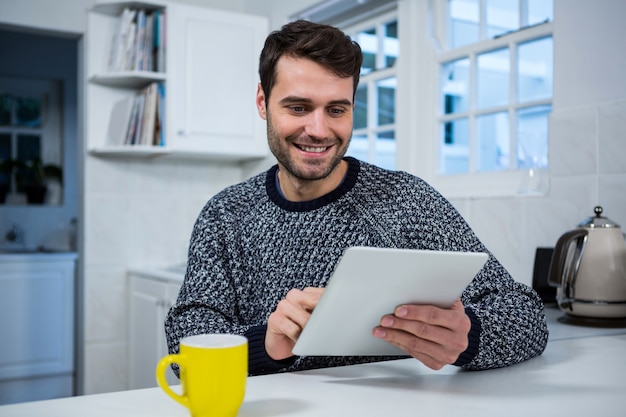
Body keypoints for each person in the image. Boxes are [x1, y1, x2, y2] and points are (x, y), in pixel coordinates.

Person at [165, 20, 548, 376]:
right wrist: (265, 344)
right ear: (263, 103)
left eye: (336, 109)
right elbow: (186, 348)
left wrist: (468, 338)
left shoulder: (406, 201)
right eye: (298, 107)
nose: (318, 130)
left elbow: (527, 318)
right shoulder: (226, 215)